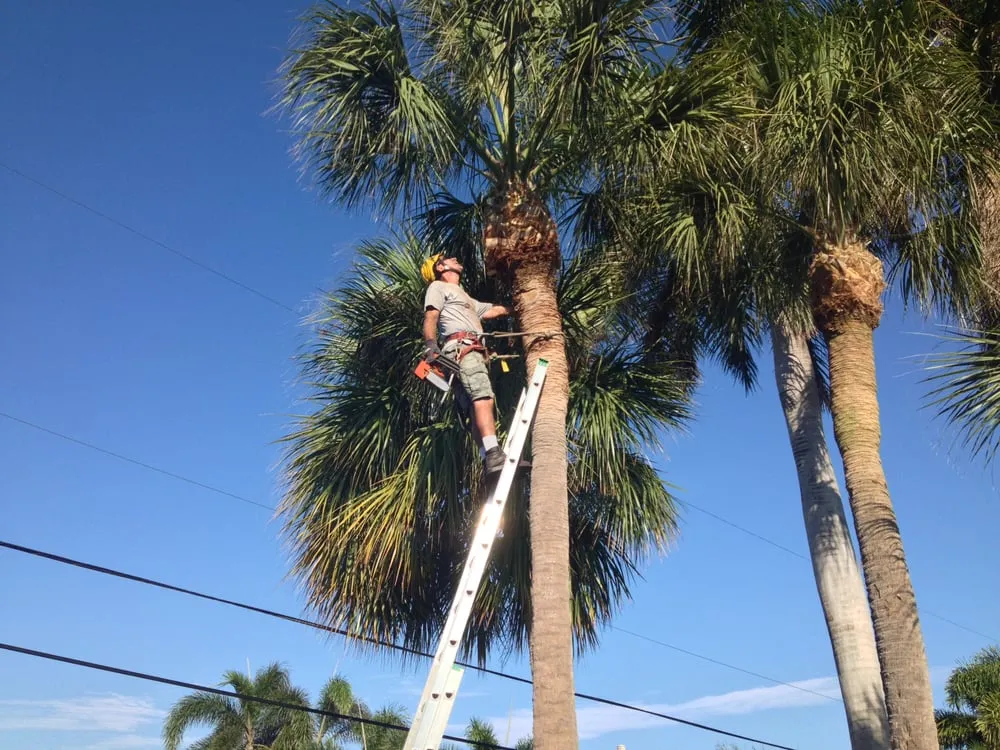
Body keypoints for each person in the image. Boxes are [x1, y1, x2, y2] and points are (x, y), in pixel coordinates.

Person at [422, 253, 512, 475]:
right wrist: (431, 344)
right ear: (440, 267)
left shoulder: (465, 297)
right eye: (447, 258)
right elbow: (431, 316)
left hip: (466, 351)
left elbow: (491, 311)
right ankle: (493, 453)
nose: (454, 258)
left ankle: (487, 458)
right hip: (462, 348)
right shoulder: (437, 286)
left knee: (473, 406)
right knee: (483, 396)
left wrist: (519, 305)